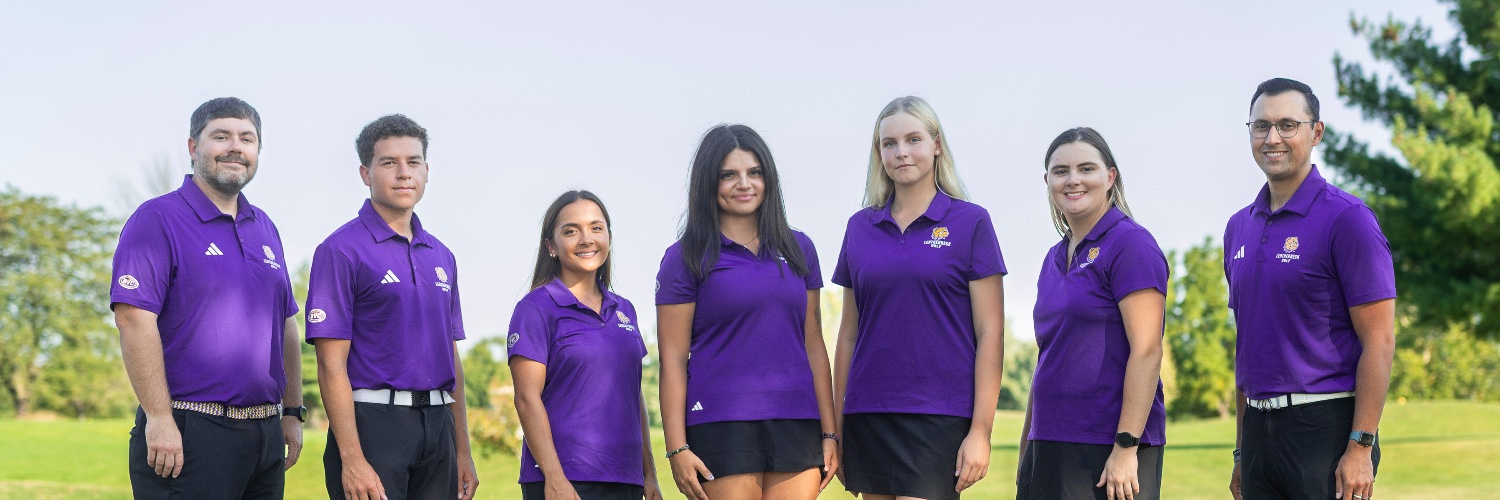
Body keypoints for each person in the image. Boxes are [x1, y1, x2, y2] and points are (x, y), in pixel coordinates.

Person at [112, 97, 304, 499]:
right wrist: (159, 418)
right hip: (190, 432)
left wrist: (291, 412)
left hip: (265, 436)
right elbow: (134, 319)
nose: (236, 147)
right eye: (221, 136)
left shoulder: (264, 227)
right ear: (193, 147)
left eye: (247, 139)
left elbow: (285, 323)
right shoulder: (157, 219)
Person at [1225, 78, 1396, 500]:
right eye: (1261, 126)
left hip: (1326, 431)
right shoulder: (1237, 227)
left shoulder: (1348, 219)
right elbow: (1247, 344)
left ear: (1316, 132)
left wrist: (1361, 445)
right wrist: (1241, 451)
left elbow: (1379, 339)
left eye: (1288, 124)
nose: (1273, 138)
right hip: (1259, 437)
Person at [832, 96, 1006, 499]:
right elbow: (847, 336)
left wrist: (980, 430)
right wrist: (836, 427)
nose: (901, 152)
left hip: (939, 416)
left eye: (913, 139)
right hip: (867, 414)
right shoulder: (859, 228)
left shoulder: (971, 222)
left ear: (937, 145)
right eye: (889, 144)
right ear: (879, 153)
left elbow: (990, 332)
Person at [656, 125, 838, 500]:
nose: (744, 184)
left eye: (754, 172)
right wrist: (676, 448)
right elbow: (673, 359)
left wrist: (830, 432)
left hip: (796, 421)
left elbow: (814, 346)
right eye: (729, 175)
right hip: (720, 423)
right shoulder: (684, 257)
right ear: (709, 181)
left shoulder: (800, 247)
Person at [305, 114, 478, 500]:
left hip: (438, 427)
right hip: (374, 425)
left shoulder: (442, 255)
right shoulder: (340, 250)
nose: (404, 173)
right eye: (389, 163)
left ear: (427, 172)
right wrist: (352, 459)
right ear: (366, 174)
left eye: (413, 162)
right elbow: (330, 365)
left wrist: (462, 450)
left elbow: (452, 359)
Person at [1018, 127, 1167, 500]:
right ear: (1048, 180)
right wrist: (1027, 449)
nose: (1073, 180)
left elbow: (1147, 350)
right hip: (1050, 443)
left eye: (1087, 168)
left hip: (1109, 446)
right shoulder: (1053, 257)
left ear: (1110, 177)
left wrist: (1126, 446)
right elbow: (1047, 359)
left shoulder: (1131, 245)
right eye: (1060, 171)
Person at [507, 190, 664, 500]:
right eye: (570, 231)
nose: (586, 239)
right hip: (566, 480)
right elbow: (526, 398)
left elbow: (634, 396)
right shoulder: (536, 308)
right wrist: (554, 477)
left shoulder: (625, 310)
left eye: (596, 227)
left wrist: (650, 476)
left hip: (626, 480)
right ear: (551, 246)